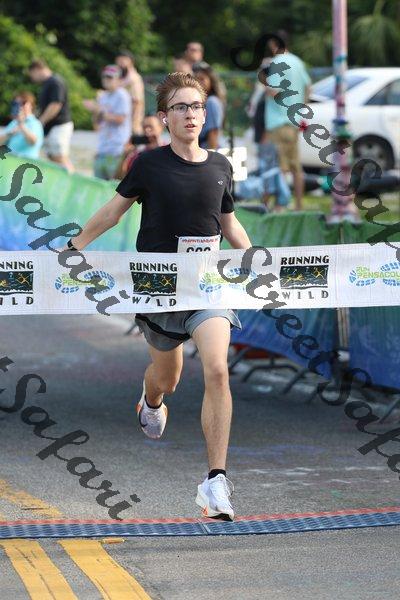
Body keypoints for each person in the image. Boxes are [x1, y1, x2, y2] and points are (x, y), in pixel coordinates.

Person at [64, 72, 252, 521]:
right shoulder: (148, 164)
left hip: (206, 286)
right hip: (158, 290)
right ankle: (151, 400)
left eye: (197, 106)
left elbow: (229, 223)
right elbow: (113, 212)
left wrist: (255, 258)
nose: (191, 114)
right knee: (168, 378)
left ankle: (215, 482)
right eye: (181, 107)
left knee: (218, 369)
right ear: (165, 117)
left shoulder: (221, 166)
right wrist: (74, 247)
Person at [261, 31, 311, 210]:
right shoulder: (298, 62)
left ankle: (279, 207)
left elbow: (274, 91)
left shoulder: (276, 62)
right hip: (293, 121)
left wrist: (264, 80)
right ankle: (298, 205)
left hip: (278, 122)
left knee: (278, 167)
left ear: (273, 44)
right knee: (295, 167)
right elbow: (308, 87)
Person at [83, 65, 131, 180]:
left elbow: (121, 119)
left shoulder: (122, 95)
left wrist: (99, 110)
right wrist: (95, 111)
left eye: (110, 77)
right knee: (99, 184)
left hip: (116, 149)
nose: (106, 80)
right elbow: (97, 124)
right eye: (104, 77)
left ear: (118, 79)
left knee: (116, 184)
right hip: (102, 148)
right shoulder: (103, 96)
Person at [28, 59, 74, 172]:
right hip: (51, 128)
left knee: (60, 158)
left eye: (32, 74)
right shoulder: (47, 83)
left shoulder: (55, 82)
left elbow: (56, 104)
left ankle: (73, 180)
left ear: (37, 69)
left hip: (59, 126)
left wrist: (41, 122)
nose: (32, 78)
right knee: (53, 158)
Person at [117, 114, 166, 178]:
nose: (147, 130)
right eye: (144, 127)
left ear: (160, 128)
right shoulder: (136, 156)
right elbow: (120, 178)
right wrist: (125, 156)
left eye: (150, 127)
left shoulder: (170, 151)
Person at [0, 91, 43, 159]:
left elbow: (33, 142)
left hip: (28, 163)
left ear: (31, 105)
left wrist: (21, 125)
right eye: (17, 103)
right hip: (12, 162)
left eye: (23, 103)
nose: (20, 106)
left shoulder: (35, 123)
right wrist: (10, 134)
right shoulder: (14, 123)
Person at [194, 64, 225, 150]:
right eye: (196, 79)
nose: (198, 82)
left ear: (211, 81)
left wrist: (211, 154)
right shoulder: (203, 102)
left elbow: (213, 132)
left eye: (202, 79)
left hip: (208, 149)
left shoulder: (212, 102)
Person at [115, 50, 145, 135]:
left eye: (123, 61)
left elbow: (136, 102)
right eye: (119, 61)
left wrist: (133, 124)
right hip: (119, 123)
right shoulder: (118, 78)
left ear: (131, 62)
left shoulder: (134, 79)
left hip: (131, 125)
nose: (120, 63)